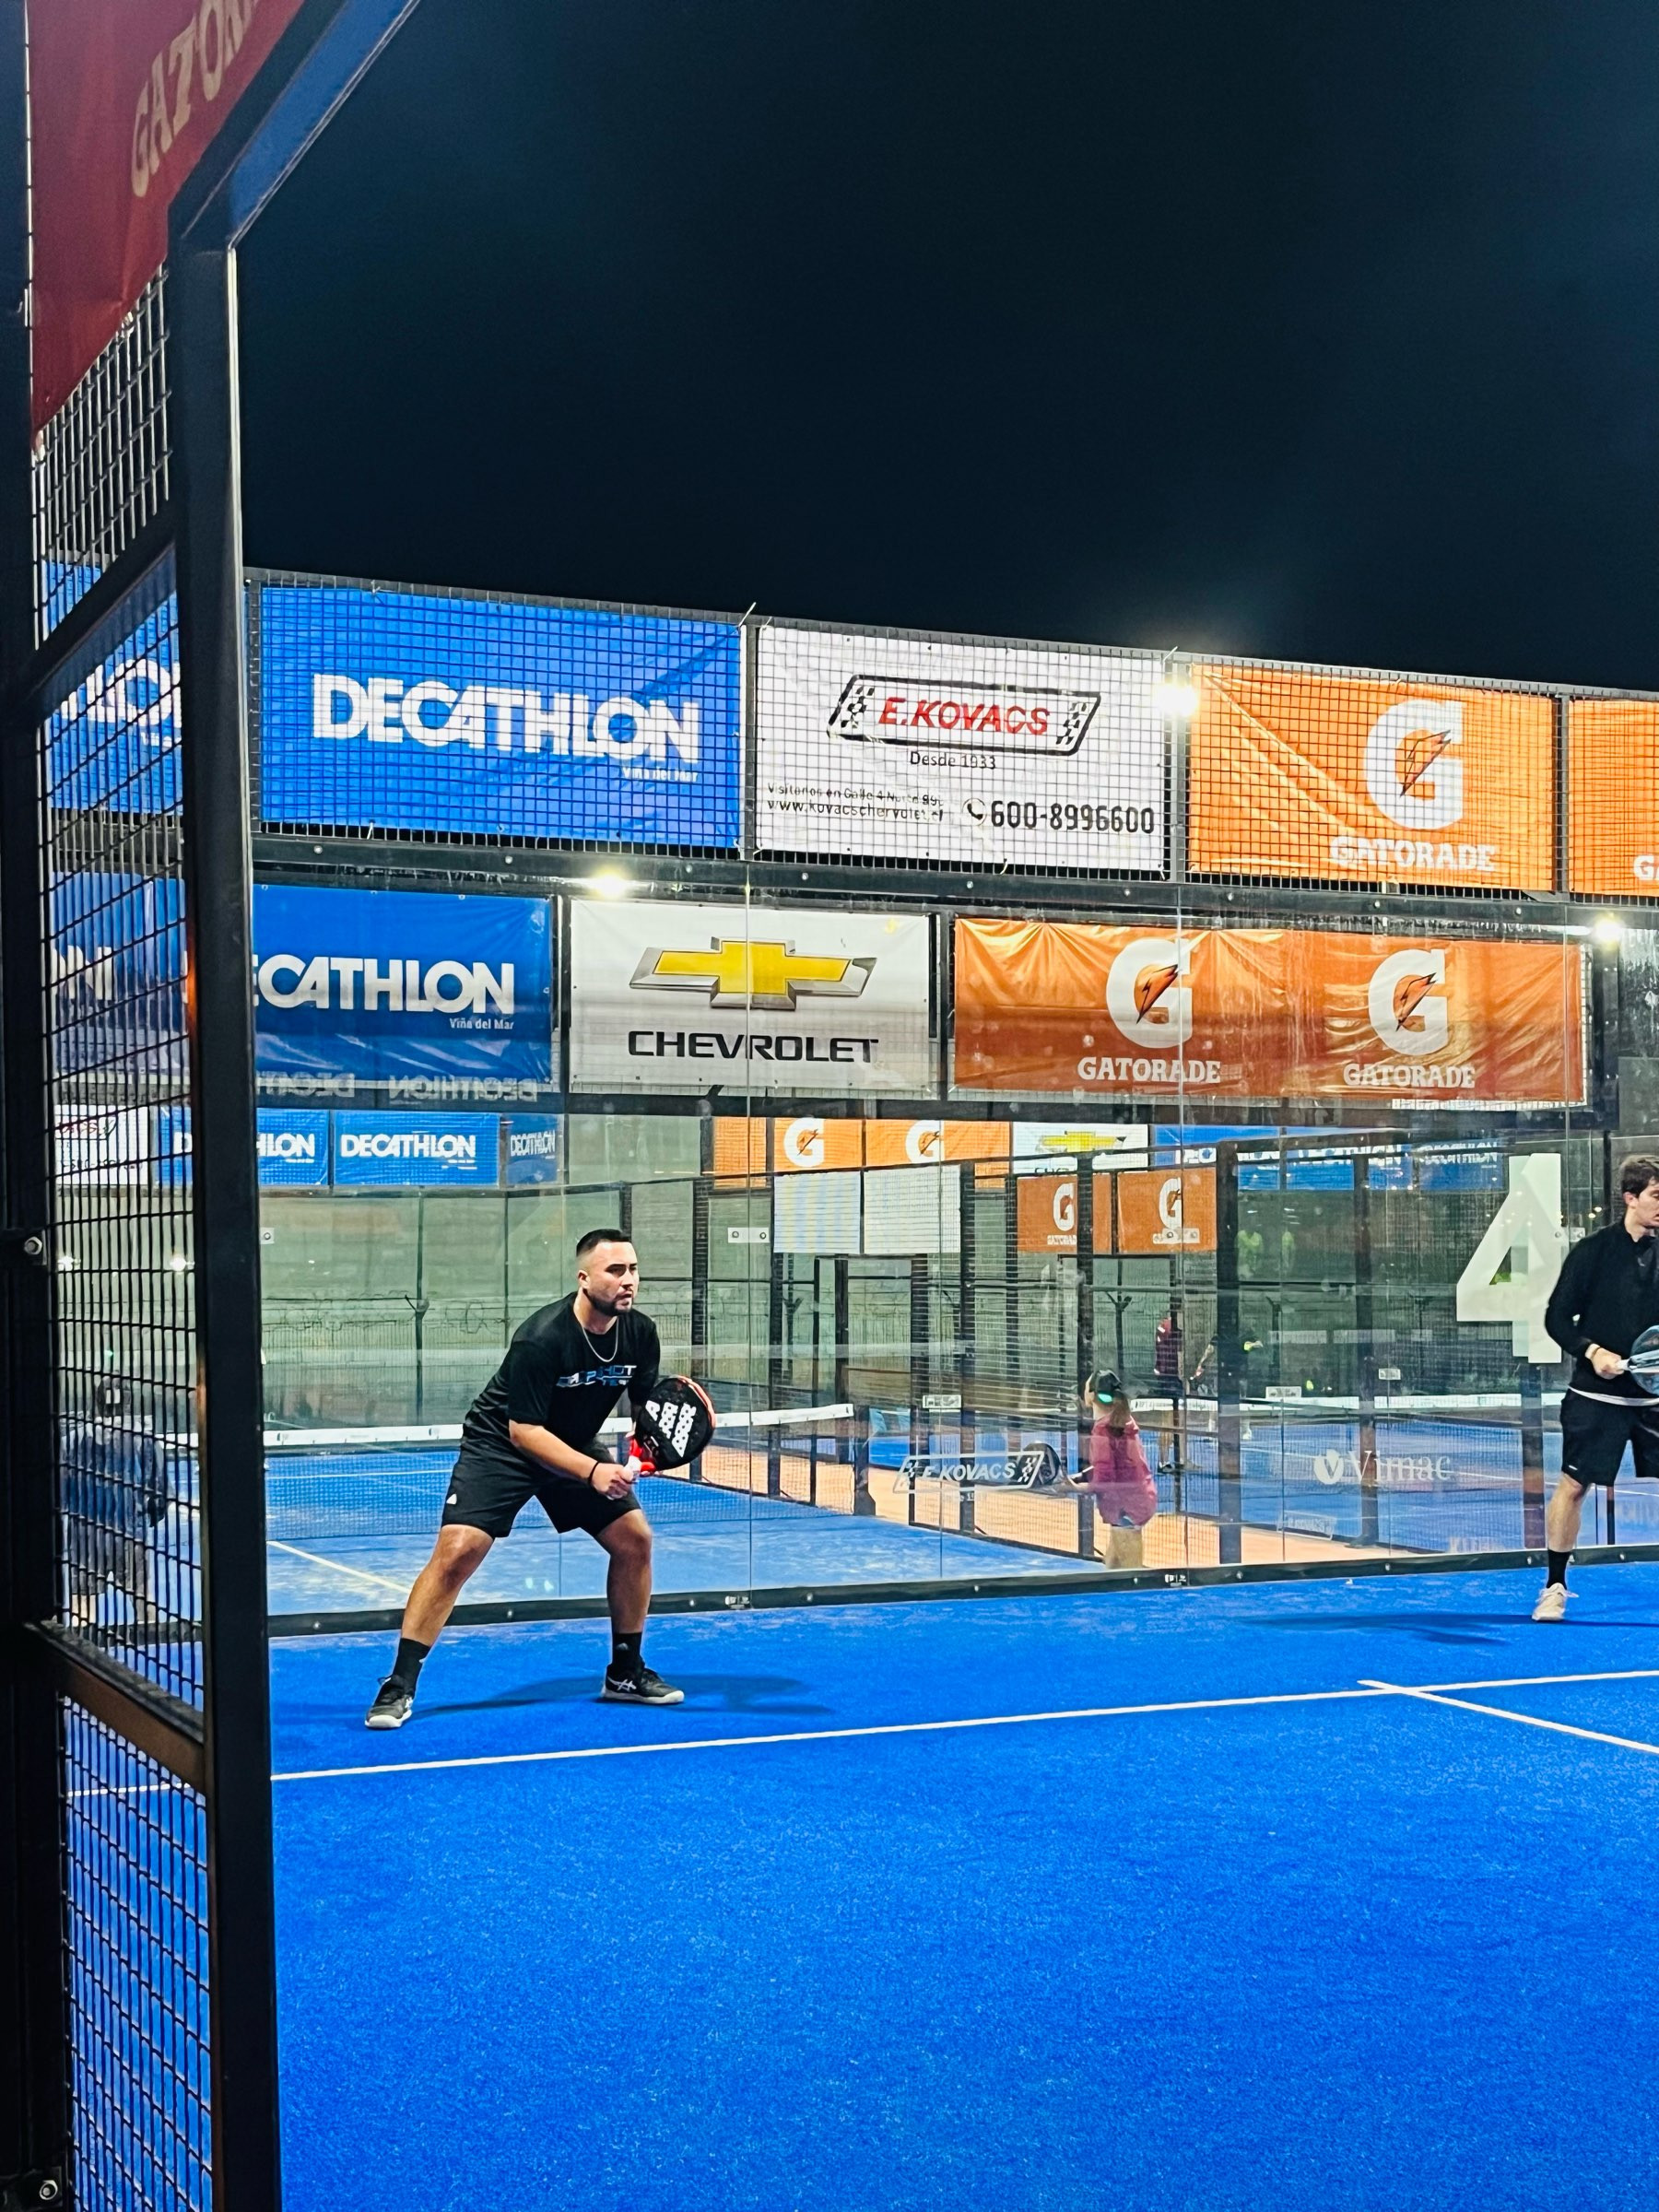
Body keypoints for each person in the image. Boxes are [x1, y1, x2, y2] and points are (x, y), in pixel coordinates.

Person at [366, 1230, 682, 1726]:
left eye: (634, 1270)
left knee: (635, 1540)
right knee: (458, 1551)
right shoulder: (542, 1337)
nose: (629, 1281)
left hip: (572, 1442)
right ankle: (399, 1684)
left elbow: (646, 1407)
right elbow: (525, 1432)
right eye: (615, 1271)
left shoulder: (640, 1333)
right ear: (584, 1278)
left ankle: (625, 1672)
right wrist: (594, 1471)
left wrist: (654, 1442)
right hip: (502, 1445)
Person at [1534, 1155, 1659, 1621]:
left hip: (1655, 1398)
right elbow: (1556, 1318)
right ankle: (1554, 1586)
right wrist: (1592, 1352)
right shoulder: (1593, 1252)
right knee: (1573, 1486)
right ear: (1631, 1198)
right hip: (1595, 1398)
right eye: (1657, 1196)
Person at [62, 1378, 169, 1629]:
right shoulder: (143, 1439)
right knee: (143, 1601)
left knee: (82, 1606)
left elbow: (60, 1492)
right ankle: (149, 1640)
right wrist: (151, 1516)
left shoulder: (72, 1440)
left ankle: (83, 1647)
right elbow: (160, 1492)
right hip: (130, 1532)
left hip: (85, 1537)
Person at [1082, 1370, 1159, 1569]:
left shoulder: (1103, 1430)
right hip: (1135, 1501)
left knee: (1131, 1573)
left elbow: (1105, 1477)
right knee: (1112, 1565)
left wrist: (1076, 1487)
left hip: (1126, 1506)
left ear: (1092, 1395)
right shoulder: (1121, 1421)